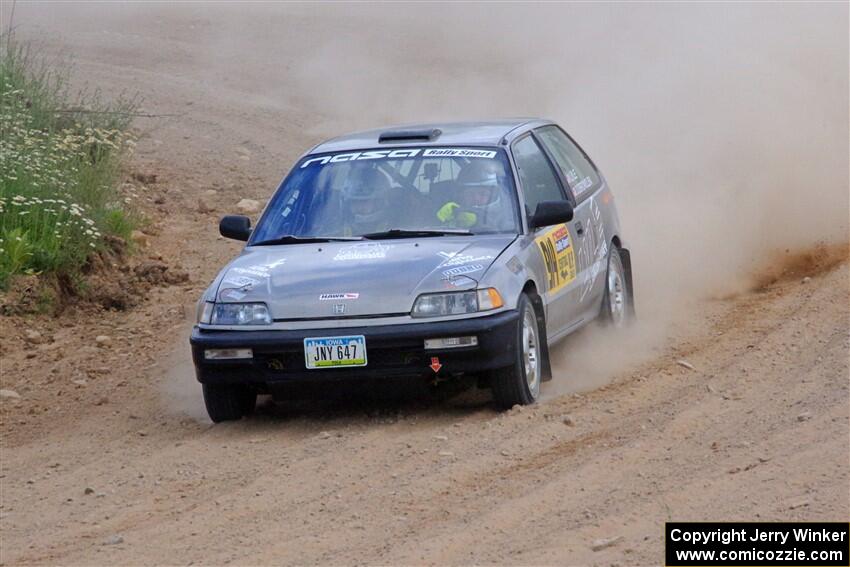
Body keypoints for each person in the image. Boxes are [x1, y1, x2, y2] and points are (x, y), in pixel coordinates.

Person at [436, 159, 513, 231]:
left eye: (483, 194)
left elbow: (499, 232)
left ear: (495, 195)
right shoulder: (453, 209)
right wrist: (440, 218)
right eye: (470, 194)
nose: (476, 198)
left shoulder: (510, 213)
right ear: (461, 195)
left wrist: (478, 221)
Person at [341, 167, 392, 236]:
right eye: (354, 201)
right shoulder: (330, 233)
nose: (359, 206)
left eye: (364, 201)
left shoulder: (399, 230)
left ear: (379, 203)